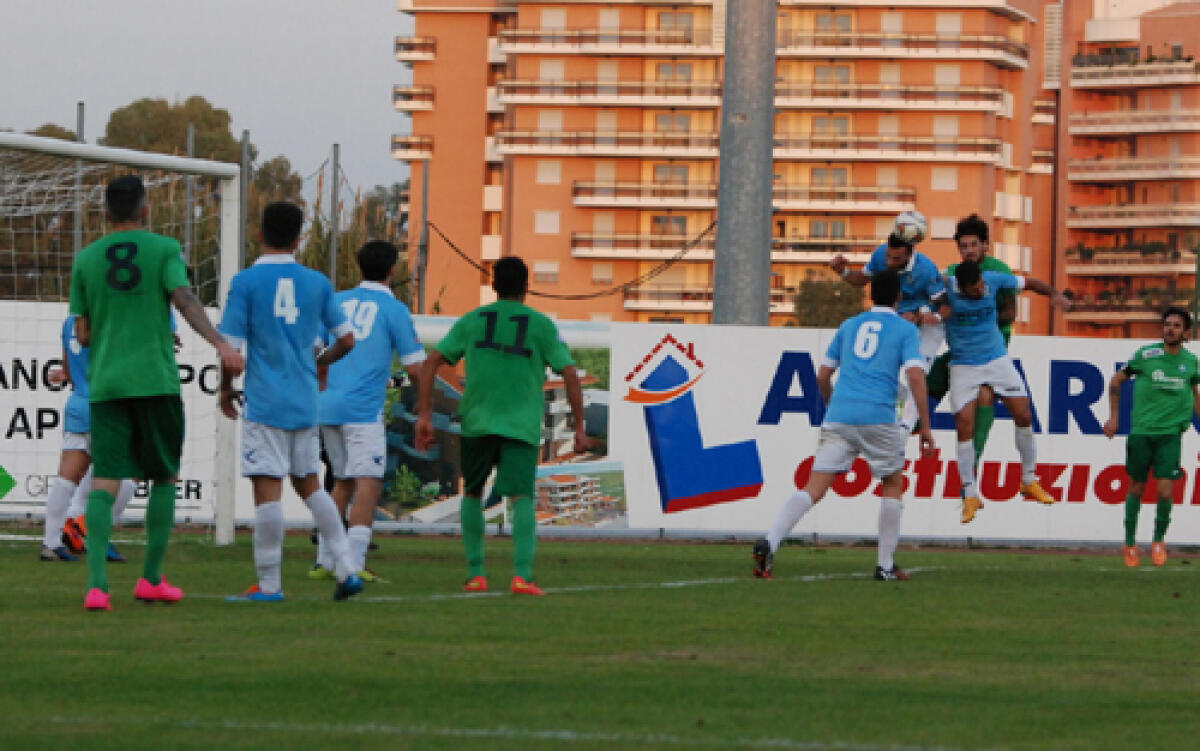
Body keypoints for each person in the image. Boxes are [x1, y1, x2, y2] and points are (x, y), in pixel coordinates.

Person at [69, 175, 244, 611]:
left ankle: (96, 586)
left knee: (104, 479)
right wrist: (219, 342)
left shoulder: (86, 259)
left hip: (107, 384)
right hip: (154, 381)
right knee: (164, 476)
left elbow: (83, 332)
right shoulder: (164, 250)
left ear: (106, 212)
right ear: (145, 208)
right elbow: (183, 298)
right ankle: (149, 579)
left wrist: (112, 327)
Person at [414, 256, 590, 595]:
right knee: (523, 497)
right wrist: (579, 426)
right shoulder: (540, 325)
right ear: (526, 287)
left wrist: (424, 414)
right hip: (520, 425)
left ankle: (475, 575)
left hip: (477, 422)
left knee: (473, 494)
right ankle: (522, 575)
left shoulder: (473, 320)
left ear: (493, 286)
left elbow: (432, 361)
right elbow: (568, 371)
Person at [217, 201, 363, 602]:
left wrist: (226, 388)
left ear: (259, 234)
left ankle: (269, 586)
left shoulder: (245, 282)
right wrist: (318, 362)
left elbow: (231, 348)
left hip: (266, 402)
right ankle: (347, 569)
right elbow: (347, 339)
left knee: (268, 491)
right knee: (312, 486)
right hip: (304, 401)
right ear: (299, 239)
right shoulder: (317, 282)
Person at [752, 269, 936, 582]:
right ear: (898, 297)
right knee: (892, 484)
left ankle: (770, 541)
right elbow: (916, 377)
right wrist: (927, 427)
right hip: (878, 416)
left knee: (813, 488)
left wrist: (833, 408)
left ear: (870, 294)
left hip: (839, 415)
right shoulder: (905, 330)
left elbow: (822, 376)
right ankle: (885, 565)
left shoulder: (849, 326)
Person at [311, 241, 426, 581]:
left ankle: (325, 561)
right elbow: (415, 366)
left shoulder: (337, 300)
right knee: (369, 483)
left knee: (341, 481)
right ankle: (355, 565)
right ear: (393, 269)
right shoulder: (394, 310)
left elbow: (315, 349)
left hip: (326, 404)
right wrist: (424, 407)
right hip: (361, 409)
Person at [934, 260, 1071, 523]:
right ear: (960, 286)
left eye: (981, 285)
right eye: (974, 289)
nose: (981, 290)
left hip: (996, 360)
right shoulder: (945, 287)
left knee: (1024, 415)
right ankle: (970, 494)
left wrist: (1054, 293)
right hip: (963, 364)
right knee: (964, 425)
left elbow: (1029, 283)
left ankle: (1029, 480)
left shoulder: (994, 280)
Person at [1102, 307, 1200, 567]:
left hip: (1170, 435)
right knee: (1136, 487)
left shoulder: (1190, 362)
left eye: (1176, 325)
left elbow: (1194, 393)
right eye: (1167, 324)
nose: (1170, 329)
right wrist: (1114, 417)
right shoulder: (1146, 355)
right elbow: (1116, 380)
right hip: (1142, 433)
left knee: (1166, 492)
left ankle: (1158, 540)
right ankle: (1130, 542)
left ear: (1185, 332)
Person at [829, 224, 945, 429]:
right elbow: (861, 280)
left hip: (926, 323)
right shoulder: (880, 255)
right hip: (896, 320)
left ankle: (906, 427)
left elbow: (945, 305)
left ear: (910, 254)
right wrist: (844, 271)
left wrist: (921, 315)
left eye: (896, 259)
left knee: (916, 373)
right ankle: (902, 398)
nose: (889, 262)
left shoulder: (926, 269)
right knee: (878, 367)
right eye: (888, 257)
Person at [923, 215, 1017, 465]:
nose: (969, 251)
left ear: (986, 245)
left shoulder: (1000, 271)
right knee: (931, 371)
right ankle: (913, 422)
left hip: (993, 347)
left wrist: (977, 316)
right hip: (961, 347)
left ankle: (973, 460)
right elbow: (937, 302)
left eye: (974, 245)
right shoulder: (953, 273)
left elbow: (1010, 314)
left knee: (985, 396)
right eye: (963, 246)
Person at [41, 315, 131, 563]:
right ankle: (94, 535)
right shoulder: (109, 320)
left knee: (66, 477)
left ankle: (51, 543)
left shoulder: (70, 322)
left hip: (78, 404)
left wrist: (70, 375)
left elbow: (68, 369)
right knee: (127, 472)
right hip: (106, 406)